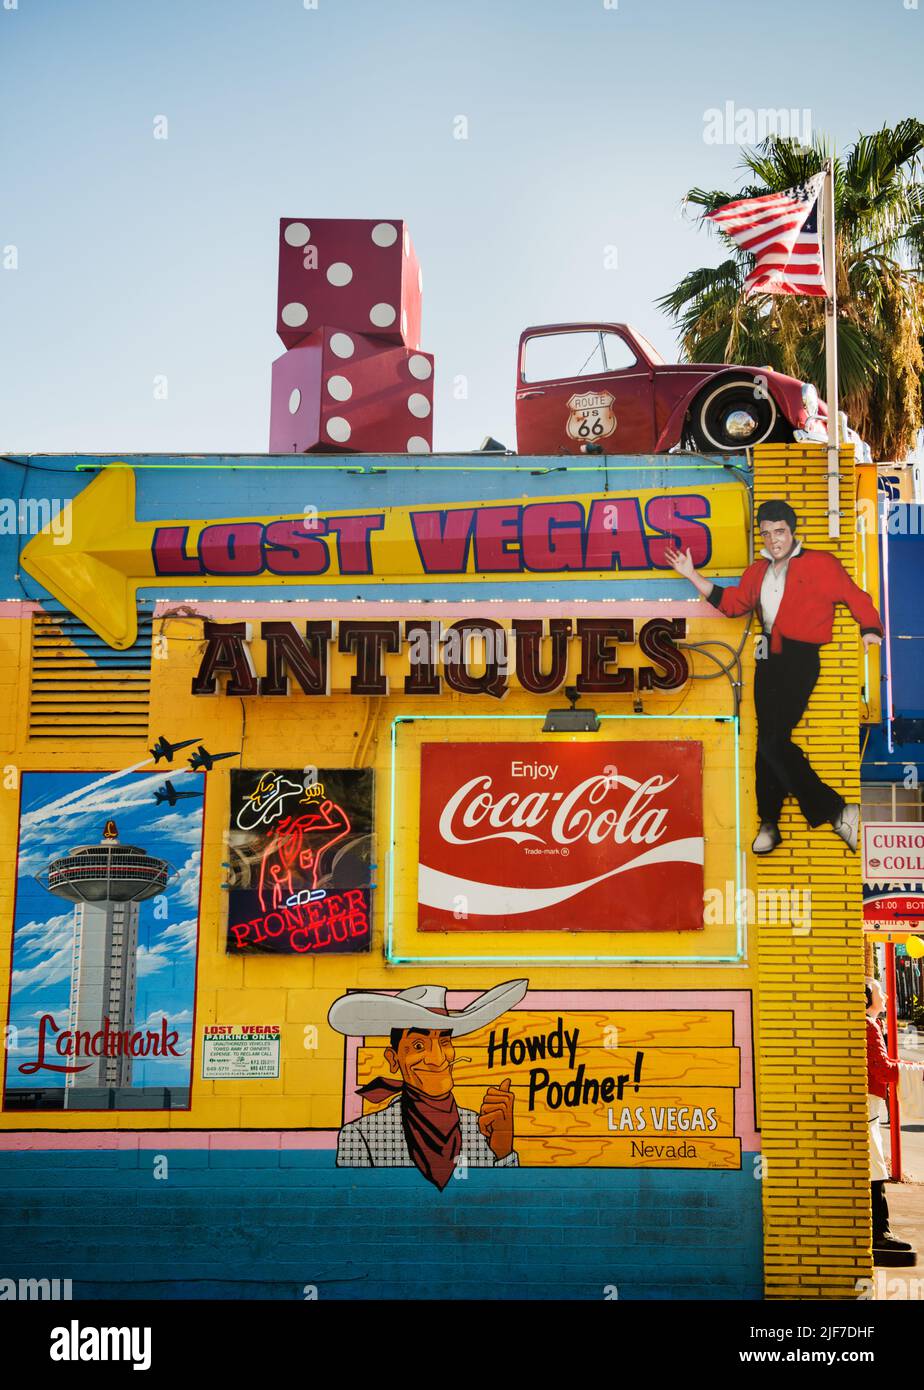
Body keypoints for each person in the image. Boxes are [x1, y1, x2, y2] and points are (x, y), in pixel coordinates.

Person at [665, 499, 883, 855]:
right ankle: (769, 821)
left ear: (792, 530)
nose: (772, 540)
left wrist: (870, 627)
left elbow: (855, 596)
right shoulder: (757, 571)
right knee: (765, 741)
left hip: (799, 658)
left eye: (778, 531)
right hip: (766, 658)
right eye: (766, 533)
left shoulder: (821, 564)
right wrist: (692, 574)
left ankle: (838, 810)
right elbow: (734, 604)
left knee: (771, 742)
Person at [328, 979, 527, 1189]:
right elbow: (356, 1207)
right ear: (393, 1059)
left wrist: (503, 1151)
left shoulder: (481, 1129)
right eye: (419, 1044)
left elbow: (502, 1202)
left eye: (444, 1041)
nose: (437, 1058)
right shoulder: (362, 1136)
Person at [866, 978, 921, 1255]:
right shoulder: (868, 1026)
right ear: (867, 998)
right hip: (868, 1111)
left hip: (867, 1110)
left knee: (875, 1170)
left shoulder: (867, 1024)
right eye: (879, 991)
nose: (885, 995)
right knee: (875, 1171)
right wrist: (915, 1070)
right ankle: (880, 1233)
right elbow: (882, 1069)